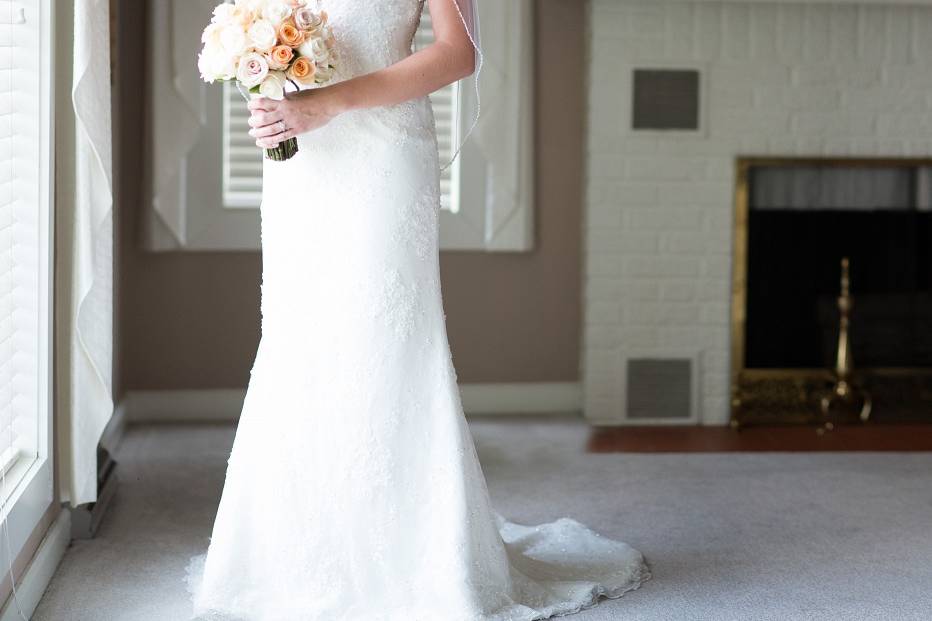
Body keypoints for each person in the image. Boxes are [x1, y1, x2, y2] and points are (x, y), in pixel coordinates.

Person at [187, 1, 650, 619]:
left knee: (382, 342)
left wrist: (331, 102)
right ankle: (289, 556)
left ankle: (411, 558)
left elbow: (458, 52)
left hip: (383, 154)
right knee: (301, 342)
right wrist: (270, 95)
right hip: (304, 162)